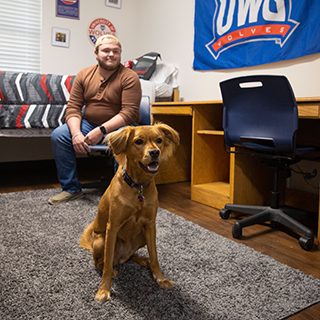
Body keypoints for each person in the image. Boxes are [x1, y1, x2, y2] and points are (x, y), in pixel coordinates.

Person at [48, 35, 142, 205]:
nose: (111, 55)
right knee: (59, 135)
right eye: (106, 51)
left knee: (123, 137)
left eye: (116, 51)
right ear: (96, 53)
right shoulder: (84, 74)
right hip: (88, 123)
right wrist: (76, 134)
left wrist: (102, 131)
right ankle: (71, 189)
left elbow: (129, 112)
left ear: (120, 54)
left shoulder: (129, 77)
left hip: (120, 126)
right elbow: (73, 108)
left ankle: (120, 194)